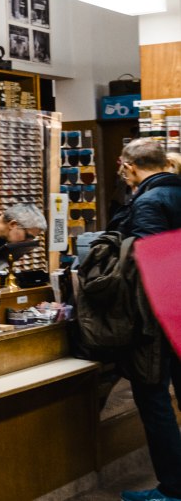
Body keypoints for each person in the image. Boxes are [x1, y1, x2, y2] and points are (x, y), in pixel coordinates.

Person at [112, 140, 181, 501]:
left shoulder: (149, 202)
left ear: (130, 166)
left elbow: (150, 266)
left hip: (161, 319)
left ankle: (172, 490)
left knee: (154, 402)